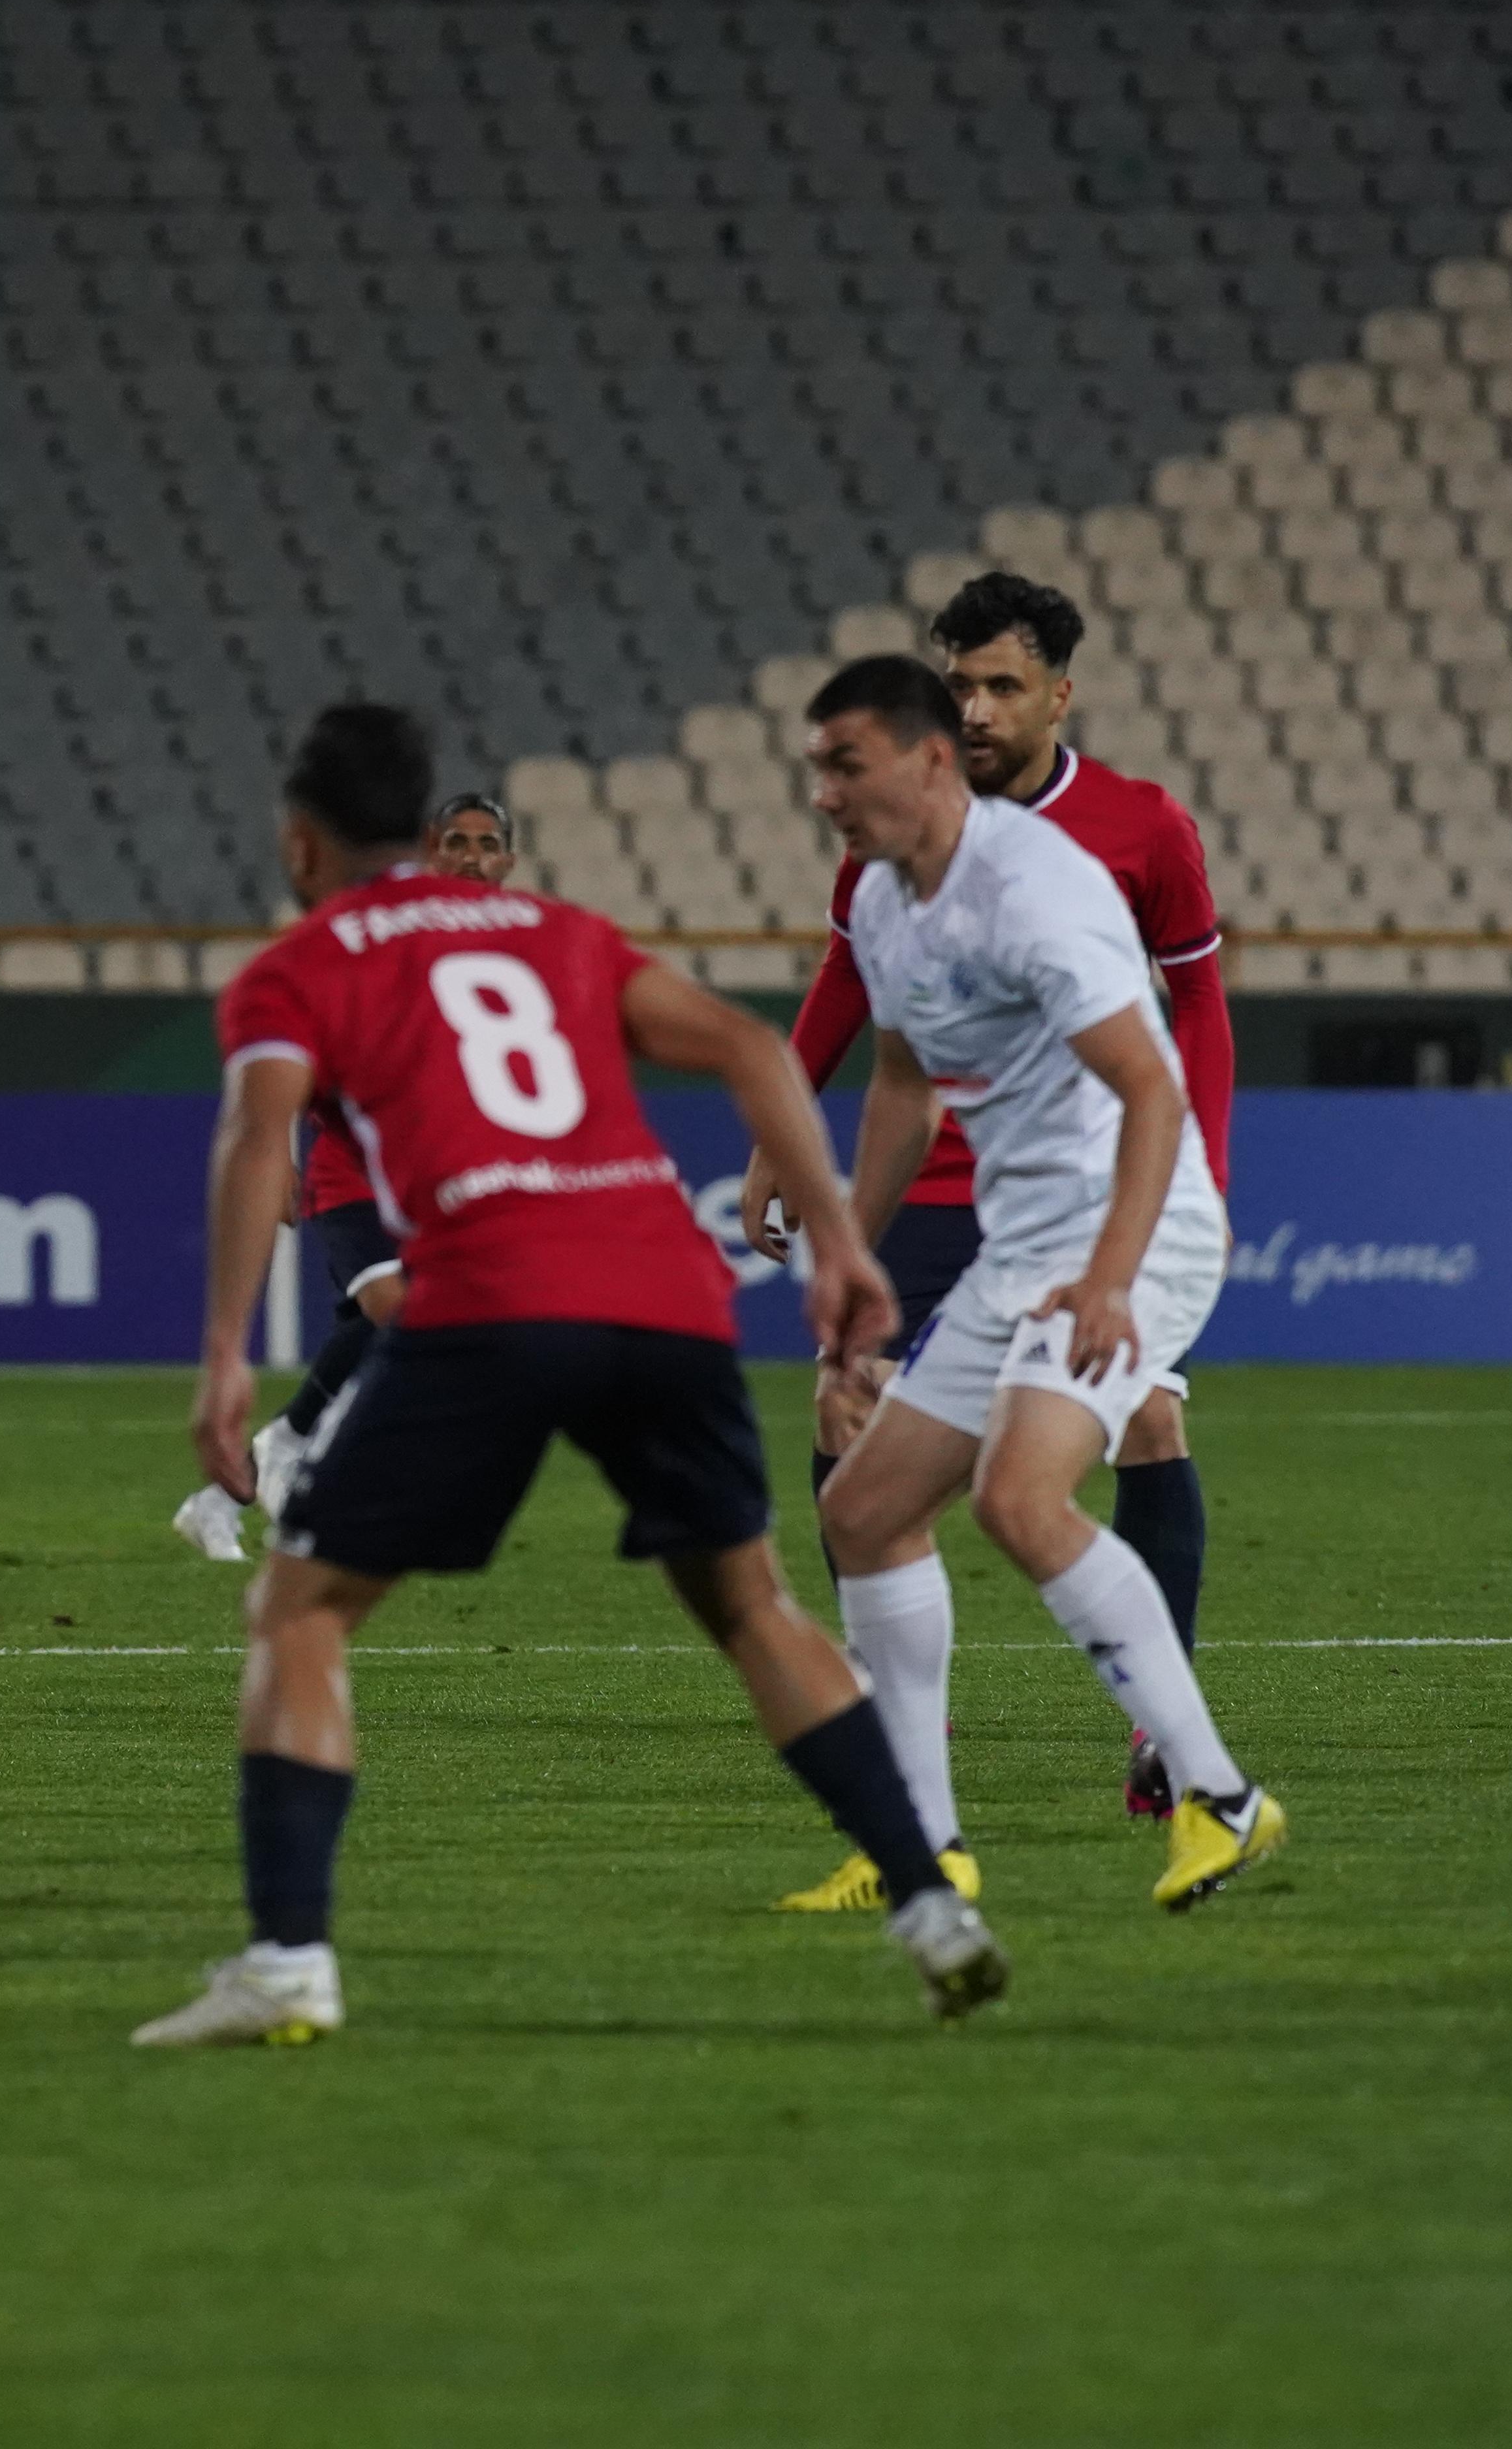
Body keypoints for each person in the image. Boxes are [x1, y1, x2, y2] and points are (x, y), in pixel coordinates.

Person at [138, 702, 1003, 2049]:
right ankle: (932, 1905)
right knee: (753, 1604)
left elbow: (258, 1145)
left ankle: (289, 1961)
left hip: (490, 1293)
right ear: (425, 824)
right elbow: (753, 1049)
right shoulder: (555, 932)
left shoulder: (294, 971)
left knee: (300, 1612)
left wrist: (222, 1358)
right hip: (664, 1288)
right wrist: (840, 1243)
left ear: (301, 843)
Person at [773, 658, 1283, 1915]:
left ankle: (1219, 1797)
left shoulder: (1035, 891)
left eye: (847, 765)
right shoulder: (883, 898)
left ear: (927, 760)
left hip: (1137, 1230)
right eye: (819, 769)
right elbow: (903, 1089)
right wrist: (852, 1254)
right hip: (1023, 1247)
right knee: (864, 1511)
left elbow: (1151, 1088)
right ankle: (923, 1850)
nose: (825, 793)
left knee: (1017, 1496)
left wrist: (1111, 1282)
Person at [174, 789, 516, 1561]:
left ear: (509, 861)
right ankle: (298, 1449)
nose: (471, 857)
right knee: (397, 1309)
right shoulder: (384, 936)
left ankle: (226, 1494)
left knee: (394, 1325)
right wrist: (278, 1140)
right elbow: (304, 1029)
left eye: (486, 843)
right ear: (429, 853)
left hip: (435, 1175)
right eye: (456, 842)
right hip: (353, 1168)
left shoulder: (512, 951)